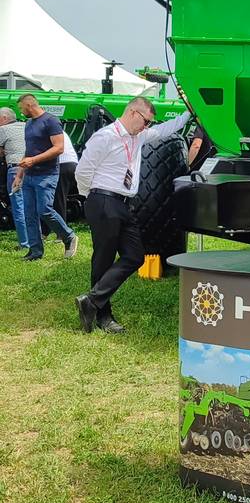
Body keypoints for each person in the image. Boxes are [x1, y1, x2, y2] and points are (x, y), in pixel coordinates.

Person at [74, 96, 189, 334]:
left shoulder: (139, 137)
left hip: (124, 204)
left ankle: (91, 301)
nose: (147, 126)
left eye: (149, 124)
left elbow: (166, 129)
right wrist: (93, 196)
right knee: (103, 260)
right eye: (146, 121)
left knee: (135, 256)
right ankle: (103, 316)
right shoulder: (105, 137)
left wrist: (190, 111)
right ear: (133, 113)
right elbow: (83, 171)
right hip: (104, 200)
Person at [12, 94, 78, 261]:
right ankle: (35, 251)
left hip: (47, 174)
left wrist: (33, 160)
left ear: (29, 105)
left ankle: (69, 236)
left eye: (21, 108)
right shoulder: (29, 124)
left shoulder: (51, 121)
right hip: (30, 175)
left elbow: (59, 148)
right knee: (29, 214)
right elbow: (28, 151)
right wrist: (19, 175)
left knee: (44, 210)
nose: (20, 111)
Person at [0, 107, 29, 250]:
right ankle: (36, 239)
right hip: (32, 168)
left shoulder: (3, 130)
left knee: (18, 207)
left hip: (15, 170)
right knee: (31, 205)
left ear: (4, 118)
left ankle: (24, 243)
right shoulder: (26, 126)